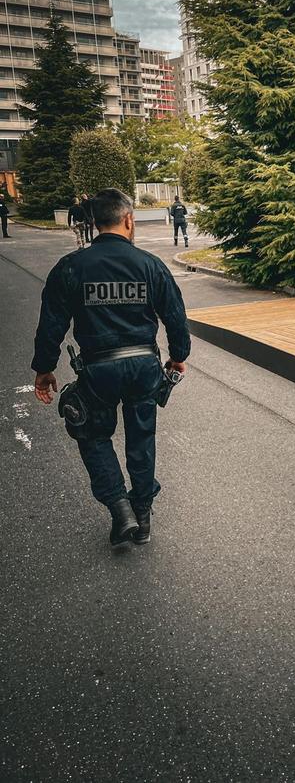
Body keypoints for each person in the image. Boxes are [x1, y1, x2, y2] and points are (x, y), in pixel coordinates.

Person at [32, 187, 191, 548]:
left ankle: (120, 509)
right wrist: (178, 355)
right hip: (143, 367)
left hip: (98, 371)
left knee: (90, 434)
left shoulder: (71, 266)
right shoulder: (150, 265)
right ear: (129, 219)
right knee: (141, 438)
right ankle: (144, 515)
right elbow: (176, 316)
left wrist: (44, 368)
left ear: (92, 223)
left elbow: (51, 322)